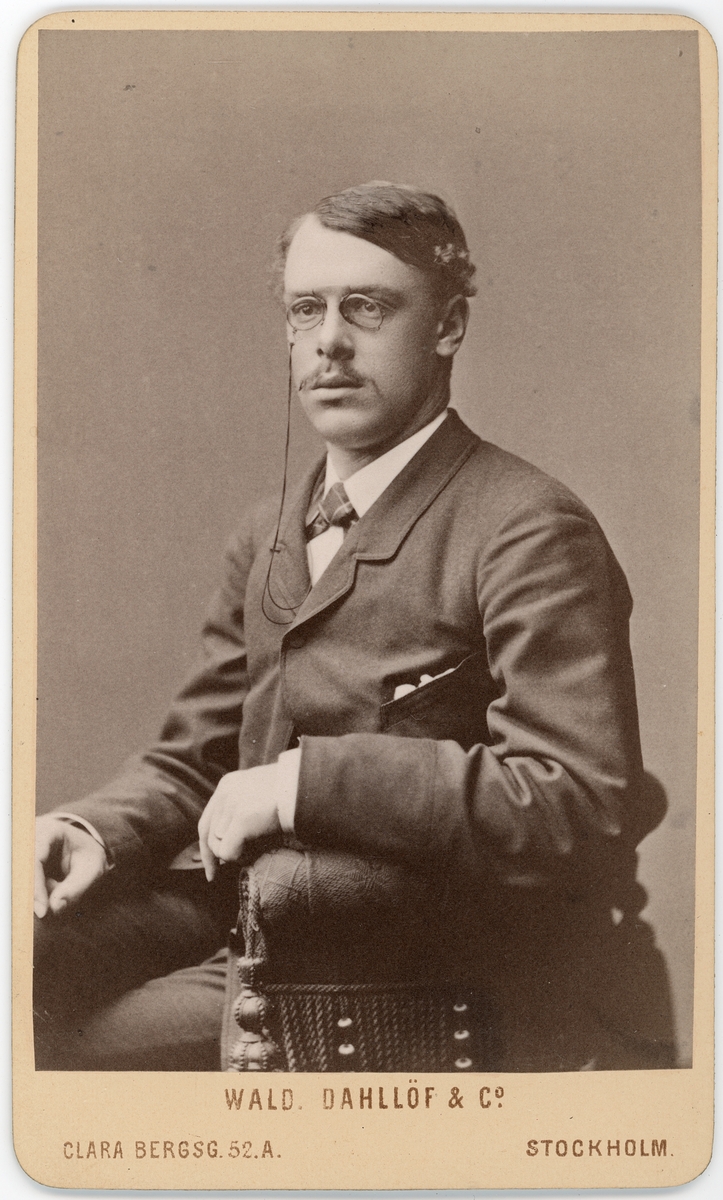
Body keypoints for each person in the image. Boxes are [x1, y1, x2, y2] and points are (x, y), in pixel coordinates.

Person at [34, 182, 675, 1073]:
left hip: (415, 965)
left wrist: (306, 784)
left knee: (64, 1057)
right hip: (251, 919)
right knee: (24, 959)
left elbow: (577, 798)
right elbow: (198, 757)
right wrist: (92, 829)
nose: (328, 342)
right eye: (306, 310)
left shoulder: (526, 527)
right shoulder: (270, 533)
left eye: (366, 308)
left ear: (448, 326)